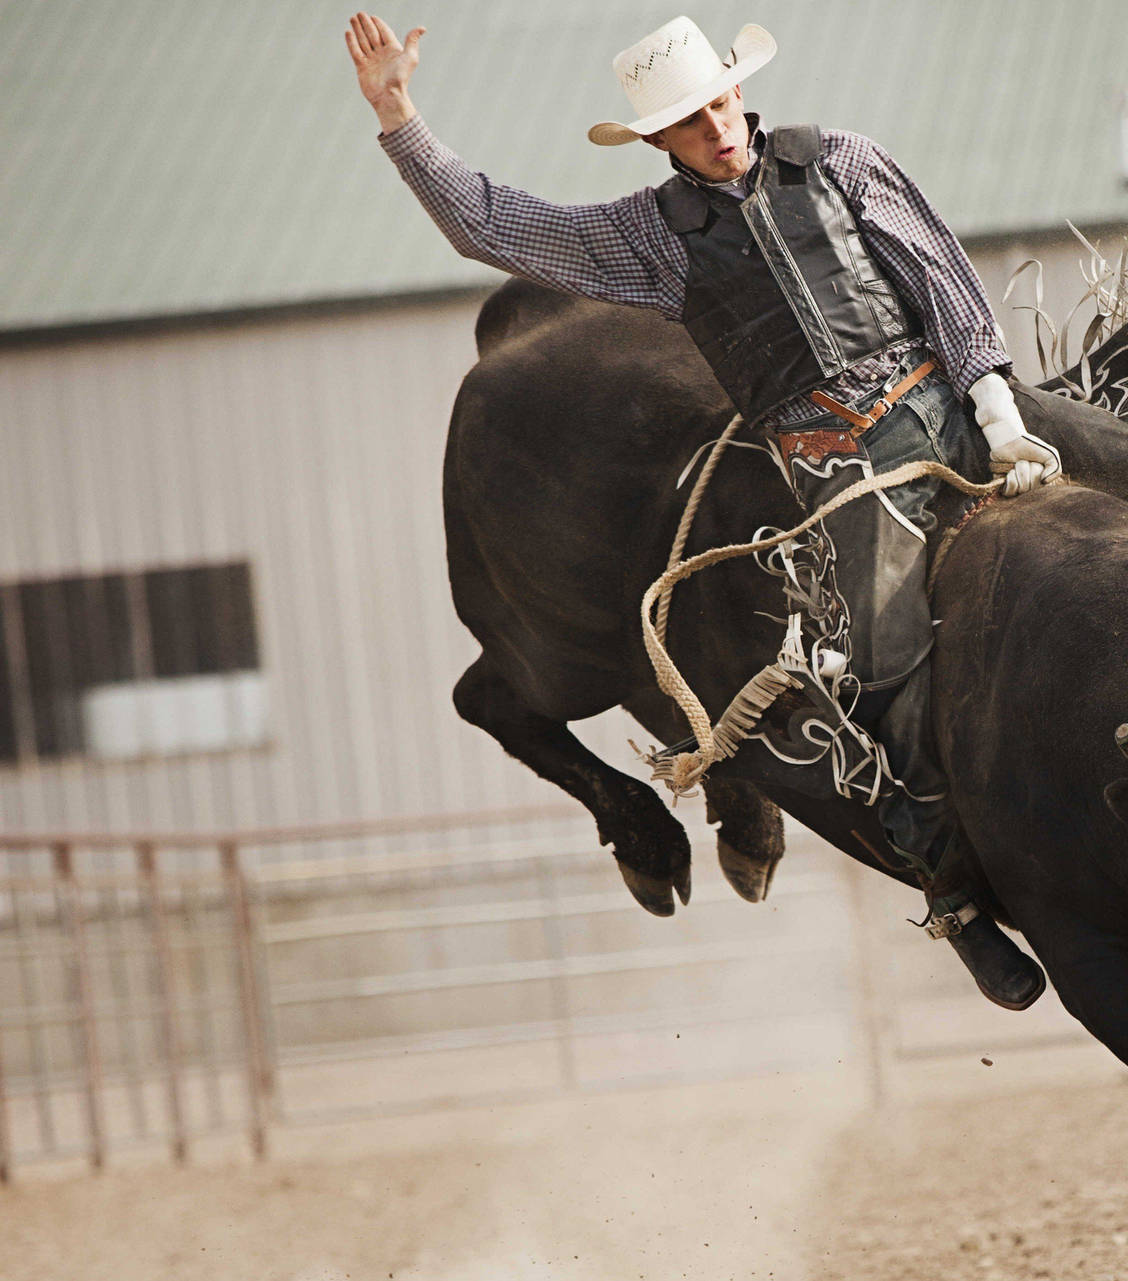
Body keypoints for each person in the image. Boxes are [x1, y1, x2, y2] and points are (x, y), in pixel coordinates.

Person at [345, 11, 1056, 1008]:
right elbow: (490, 224)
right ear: (659, 142)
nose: (718, 127)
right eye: (690, 120)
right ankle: (957, 901)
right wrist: (399, 116)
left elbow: (940, 278)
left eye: (720, 102)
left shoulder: (842, 160)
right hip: (841, 474)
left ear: (739, 92)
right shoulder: (647, 238)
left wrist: (1000, 411)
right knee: (886, 680)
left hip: (958, 413)